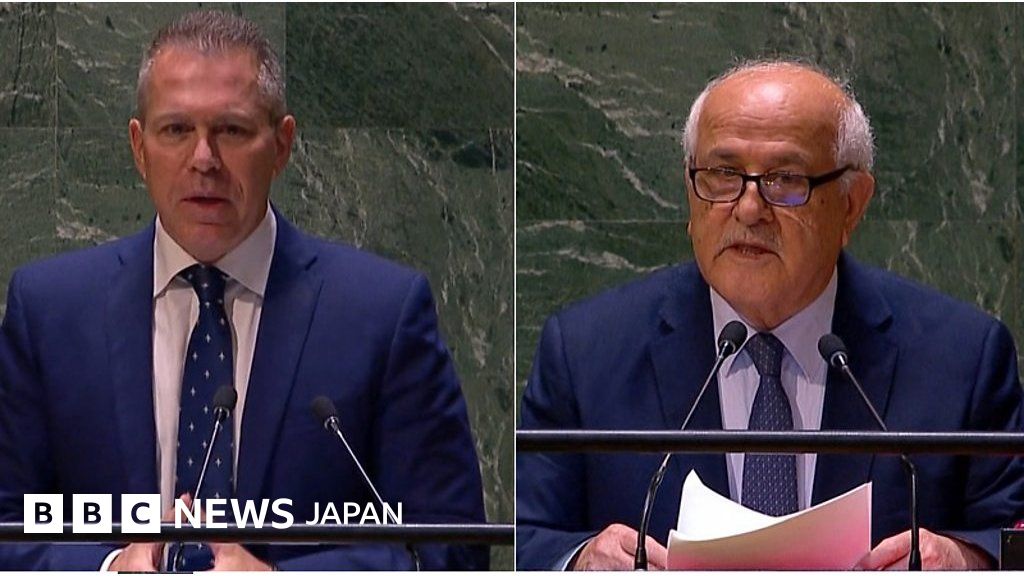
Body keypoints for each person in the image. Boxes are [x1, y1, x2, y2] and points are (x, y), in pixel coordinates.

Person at [0, 10, 486, 571]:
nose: (203, 160)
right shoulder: (51, 312)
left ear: (281, 146)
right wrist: (109, 567)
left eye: (231, 130)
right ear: (139, 148)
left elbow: (449, 547)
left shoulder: (381, 314)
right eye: (176, 130)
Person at [516, 60, 1024, 570]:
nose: (749, 208)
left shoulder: (962, 359)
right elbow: (526, 537)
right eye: (722, 175)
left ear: (851, 204)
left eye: (785, 180)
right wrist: (580, 560)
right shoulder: (585, 354)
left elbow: (1011, 531)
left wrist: (967, 559)